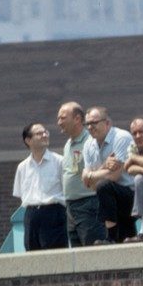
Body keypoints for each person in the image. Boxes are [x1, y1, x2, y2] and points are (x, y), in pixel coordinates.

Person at [82, 105, 137, 244]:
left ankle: (110, 237)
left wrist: (91, 175)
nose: (90, 127)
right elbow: (89, 185)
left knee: (104, 185)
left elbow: (114, 176)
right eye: (87, 124)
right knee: (126, 241)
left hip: (131, 195)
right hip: (110, 200)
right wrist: (104, 166)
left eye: (94, 122)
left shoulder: (121, 138)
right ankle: (115, 239)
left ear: (107, 123)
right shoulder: (88, 145)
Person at [56, 101, 106, 247]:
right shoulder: (68, 144)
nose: (59, 122)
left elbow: (103, 169)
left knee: (93, 254)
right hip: (71, 207)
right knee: (78, 257)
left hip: (89, 204)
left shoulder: (91, 142)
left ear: (77, 119)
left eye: (63, 118)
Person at [12, 122, 68, 251]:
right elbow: (20, 193)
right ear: (28, 140)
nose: (44, 135)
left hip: (54, 213)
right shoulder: (22, 167)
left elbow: (67, 190)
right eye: (39, 133)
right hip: (31, 215)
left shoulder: (59, 161)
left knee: (55, 257)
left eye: (45, 132)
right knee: (32, 257)